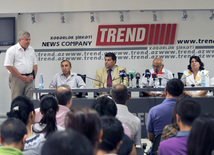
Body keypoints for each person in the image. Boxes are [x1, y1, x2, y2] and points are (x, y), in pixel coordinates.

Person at [147, 78, 184, 143]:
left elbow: (151, 137)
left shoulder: (153, 111)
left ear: (165, 91)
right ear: (182, 93)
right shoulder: (186, 110)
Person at [4, 31, 38, 100]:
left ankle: (28, 111)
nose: (29, 42)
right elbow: (8, 66)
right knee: (17, 100)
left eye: (29, 39)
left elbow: (35, 64)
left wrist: (33, 76)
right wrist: (22, 77)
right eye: (26, 40)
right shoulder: (12, 50)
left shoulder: (31, 50)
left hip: (29, 79)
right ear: (20, 40)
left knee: (29, 100)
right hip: (17, 79)